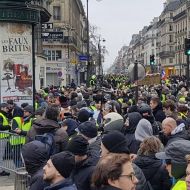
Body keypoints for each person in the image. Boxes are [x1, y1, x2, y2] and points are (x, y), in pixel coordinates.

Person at [0, 103, 11, 176]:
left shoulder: (2, 115)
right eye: (6, 108)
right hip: (1, 138)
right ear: (2, 108)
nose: (8, 109)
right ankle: (0, 171)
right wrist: (9, 126)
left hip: (3, 137)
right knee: (0, 155)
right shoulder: (0, 115)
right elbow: (1, 127)